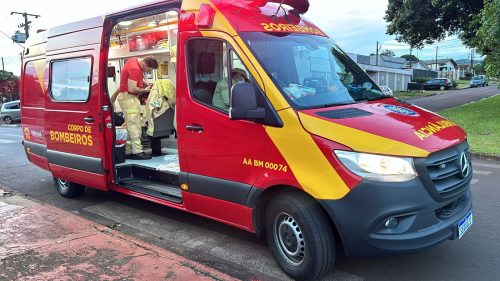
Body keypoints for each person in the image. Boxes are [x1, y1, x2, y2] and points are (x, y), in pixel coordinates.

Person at [117, 56, 159, 160]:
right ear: (144, 64)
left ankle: (128, 150)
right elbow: (132, 88)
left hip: (125, 97)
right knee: (135, 125)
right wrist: (147, 91)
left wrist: (145, 84)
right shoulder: (135, 68)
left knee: (129, 124)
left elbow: (135, 80)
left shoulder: (134, 60)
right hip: (129, 97)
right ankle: (137, 152)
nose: (148, 71)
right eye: (149, 69)